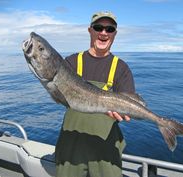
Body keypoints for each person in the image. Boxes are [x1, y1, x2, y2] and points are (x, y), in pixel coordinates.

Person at [55, 11, 135, 177]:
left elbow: (128, 106)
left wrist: (123, 113)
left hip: (106, 148)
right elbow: (59, 97)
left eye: (109, 29)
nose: (103, 33)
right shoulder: (71, 62)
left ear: (115, 34)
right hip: (71, 145)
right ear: (90, 30)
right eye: (98, 27)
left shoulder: (121, 68)